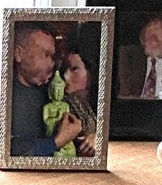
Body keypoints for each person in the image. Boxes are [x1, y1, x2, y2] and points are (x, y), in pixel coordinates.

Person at [10, 22, 83, 157]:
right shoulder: (7, 96)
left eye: (53, 56)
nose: (52, 63)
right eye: (45, 55)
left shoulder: (56, 92)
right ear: (18, 53)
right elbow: (11, 150)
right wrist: (58, 141)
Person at [59, 43, 98, 158]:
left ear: (90, 73)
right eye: (63, 70)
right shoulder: (63, 105)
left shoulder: (100, 102)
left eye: (74, 69)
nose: (66, 77)